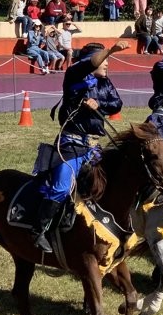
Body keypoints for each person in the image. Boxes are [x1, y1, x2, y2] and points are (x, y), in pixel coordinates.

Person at [31, 39, 130, 253]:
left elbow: (117, 103)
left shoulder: (104, 82)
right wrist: (110, 49)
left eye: (108, 60)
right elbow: (91, 63)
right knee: (61, 187)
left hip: (93, 146)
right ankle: (39, 230)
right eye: (104, 60)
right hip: (71, 144)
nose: (107, 64)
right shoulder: (74, 74)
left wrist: (100, 104)